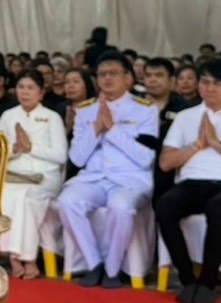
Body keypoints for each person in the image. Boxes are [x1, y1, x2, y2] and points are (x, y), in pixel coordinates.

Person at [155, 59, 221, 303]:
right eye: (205, 82)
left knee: (218, 207)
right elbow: (165, 163)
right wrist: (197, 145)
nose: (210, 88)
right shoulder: (185, 117)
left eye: (217, 83)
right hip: (192, 183)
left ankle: (208, 281)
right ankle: (187, 279)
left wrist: (216, 144)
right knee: (165, 205)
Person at [52, 52, 158, 288]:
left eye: (114, 73)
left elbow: (145, 157)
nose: (107, 79)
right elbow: (77, 159)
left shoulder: (145, 110)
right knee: (67, 201)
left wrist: (112, 130)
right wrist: (95, 130)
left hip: (130, 179)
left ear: (128, 78)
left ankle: (112, 268)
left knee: (120, 207)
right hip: (94, 179)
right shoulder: (85, 110)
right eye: (102, 74)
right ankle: (93, 263)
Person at [0, 72, 69, 280]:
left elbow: (60, 155)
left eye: (30, 88)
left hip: (45, 176)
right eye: (21, 87)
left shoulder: (52, 117)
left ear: (41, 92)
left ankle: (24, 257)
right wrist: (16, 149)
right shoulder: (8, 116)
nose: (25, 92)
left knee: (25, 197)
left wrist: (31, 147)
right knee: (6, 195)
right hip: (14, 173)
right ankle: (17, 256)